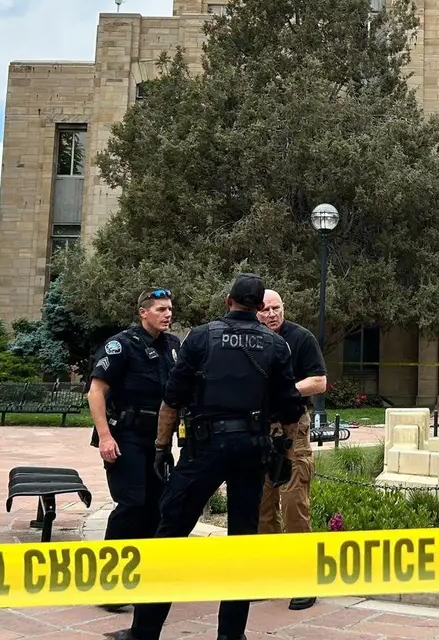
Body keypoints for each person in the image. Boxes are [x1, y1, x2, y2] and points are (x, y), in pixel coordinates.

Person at [110, 274, 304, 640]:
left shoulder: (201, 337)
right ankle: (231, 634)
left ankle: (144, 632)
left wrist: (161, 447)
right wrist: (287, 451)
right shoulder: (276, 345)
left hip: (204, 448)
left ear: (228, 301)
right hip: (251, 449)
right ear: (259, 306)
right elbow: (291, 408)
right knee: (242, 543)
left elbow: (172, 397)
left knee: (170, 534)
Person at [87, 289, 180, 613]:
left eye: (169, 309)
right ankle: (111, 583)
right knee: (131, 504)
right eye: (160, 309)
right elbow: (96, 391)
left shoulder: (173, 346)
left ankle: (145, 577)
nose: (168, 314)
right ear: (143, 312)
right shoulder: (121, 345)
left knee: (156, 507)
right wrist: (105, 437)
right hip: (125, 435)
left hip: (157, 440)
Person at [257, 288, 328, 612]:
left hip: (292, 428)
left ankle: (304, 579)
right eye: (265, 309)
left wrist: (283, 391)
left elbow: (319, 382)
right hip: (259, 428)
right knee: (262, 504)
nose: (272, 314)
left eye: (277, 308)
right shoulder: (250, 339)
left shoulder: (300, 338)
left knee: (294, 502)